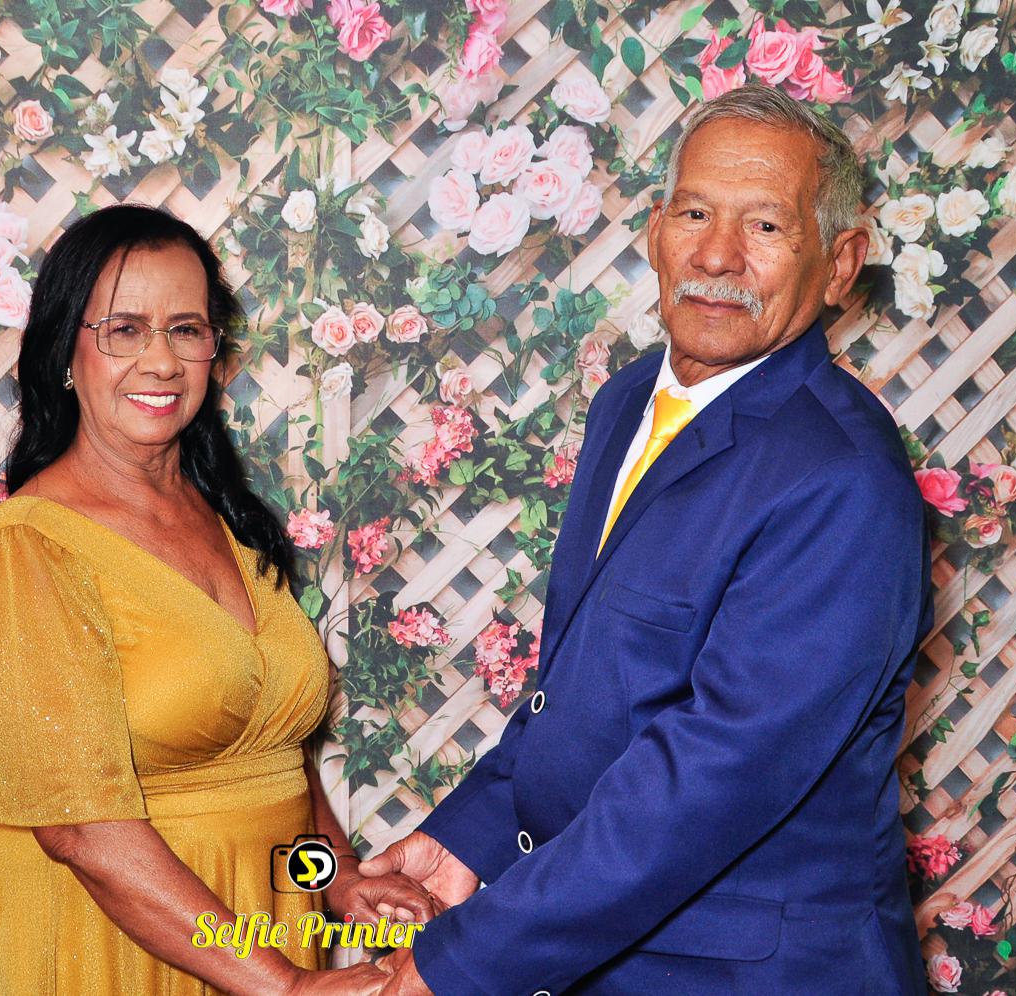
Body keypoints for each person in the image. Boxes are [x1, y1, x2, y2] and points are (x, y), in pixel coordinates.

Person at [357, 83, 935, 994]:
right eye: (695, 213)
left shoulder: (843, 480)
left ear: (839, 265)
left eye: (765, 226)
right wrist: (468, 837)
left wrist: (455, 965)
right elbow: (587, 692)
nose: (716, 254)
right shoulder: (629, 399)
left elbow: (705, 784)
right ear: (656, 229)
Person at [0, 204, 432, 995]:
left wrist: (340, 880)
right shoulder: (32, 544)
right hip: (105, 949)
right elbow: (81, 829)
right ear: (65, 353)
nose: (161, 361)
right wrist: (282, 984)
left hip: (250, 943)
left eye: (185, 330)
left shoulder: (226, 519)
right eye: (125, 331)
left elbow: (274, 772)